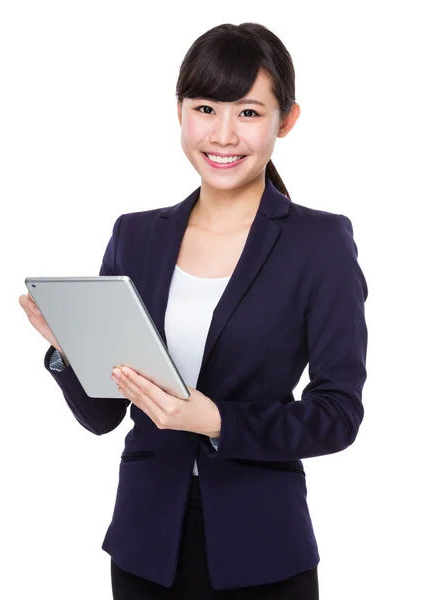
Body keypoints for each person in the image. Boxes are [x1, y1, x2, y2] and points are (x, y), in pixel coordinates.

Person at [19, 21, 368, 599]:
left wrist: (217, 421)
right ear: (179, 111)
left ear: (287, 120)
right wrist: (66, 351)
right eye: (206, 108)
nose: (224, 134)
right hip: (144, 547)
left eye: (249, 113)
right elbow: (103, 417)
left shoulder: (319, 244)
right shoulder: (135, 236)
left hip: (264, 551)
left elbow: (338, 414)